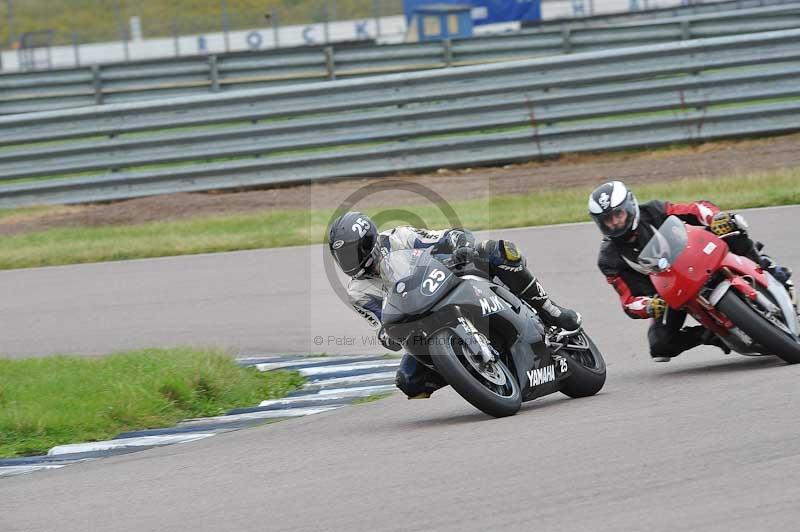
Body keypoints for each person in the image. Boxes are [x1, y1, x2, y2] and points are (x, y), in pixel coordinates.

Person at [328, 211, 582, 398]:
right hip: (420, 322)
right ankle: (469, 370)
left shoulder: (399, 237)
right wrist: (386, 335)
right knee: (409, 382)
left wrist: (460, 246)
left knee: (499, 251)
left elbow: (447, 237)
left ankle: (550, 310)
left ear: (368, 241)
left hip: (450, 282)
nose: (349, 261)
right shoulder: (357, 291)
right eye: (342, 256)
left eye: (352, 252)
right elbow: (380, 325)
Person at [588, 180, 795, 362]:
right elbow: (628, 301)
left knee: (733, 228)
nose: (615, 222)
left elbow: (695, 208)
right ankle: (714, 334)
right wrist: (650, 306)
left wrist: (715, 218)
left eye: (618, 214)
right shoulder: (609, 258)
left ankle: (770, 270)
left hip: (697, 257)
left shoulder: (654, 211)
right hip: (669, 293)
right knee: (660, 345)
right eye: (608, 219)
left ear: (630, 207)